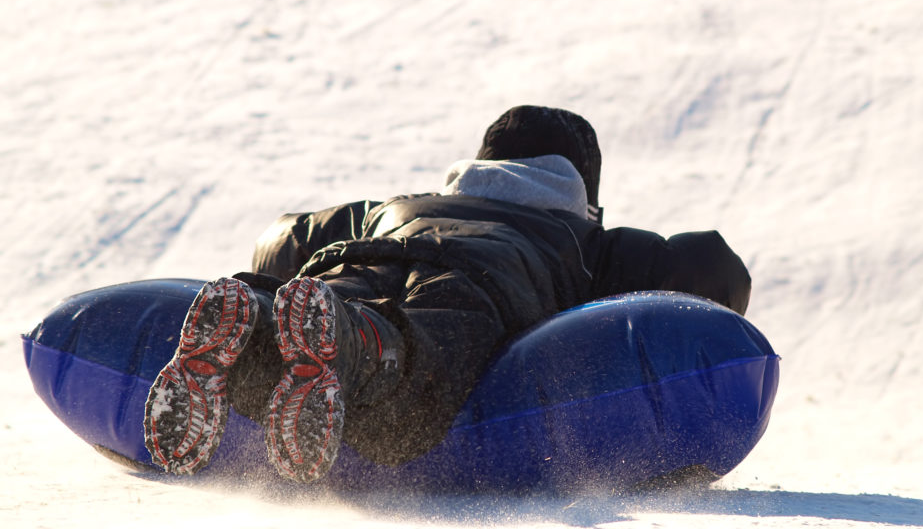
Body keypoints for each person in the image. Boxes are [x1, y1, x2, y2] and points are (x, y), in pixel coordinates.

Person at [143, 105, 751, 483]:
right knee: (428, 343)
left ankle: (254, 323)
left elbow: (286, 237)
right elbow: (711, 267)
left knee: (335, 295)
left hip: (364, 252)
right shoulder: (588, 238)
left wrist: (275, 266)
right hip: (482, 279)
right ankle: (359, 348)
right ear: (581, 187)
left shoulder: (388, 206)